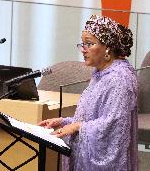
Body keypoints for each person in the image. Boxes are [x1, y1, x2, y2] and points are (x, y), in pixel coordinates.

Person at [38, 15, 138, 171]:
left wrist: (77, 126)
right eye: (82, 43)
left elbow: (114, 126)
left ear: (108, 48)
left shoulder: (120, 79)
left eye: (89, 44)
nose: (83, 49)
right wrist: (65, 122)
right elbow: (93, 118)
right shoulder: (100, 74)